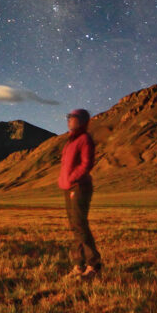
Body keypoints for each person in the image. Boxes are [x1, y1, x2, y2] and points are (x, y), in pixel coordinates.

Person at [59, 108, 101, 279]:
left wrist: (72, 179)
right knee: (75, 227)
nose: (69, 120)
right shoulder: (71, 141)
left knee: (80, 226)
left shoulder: (84, 139)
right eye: (68, 117)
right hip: (68, 187)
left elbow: (86, 164)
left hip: (79, 187)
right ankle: (79, 265)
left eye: (73, 118)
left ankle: (94, 265)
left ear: (81, 121)